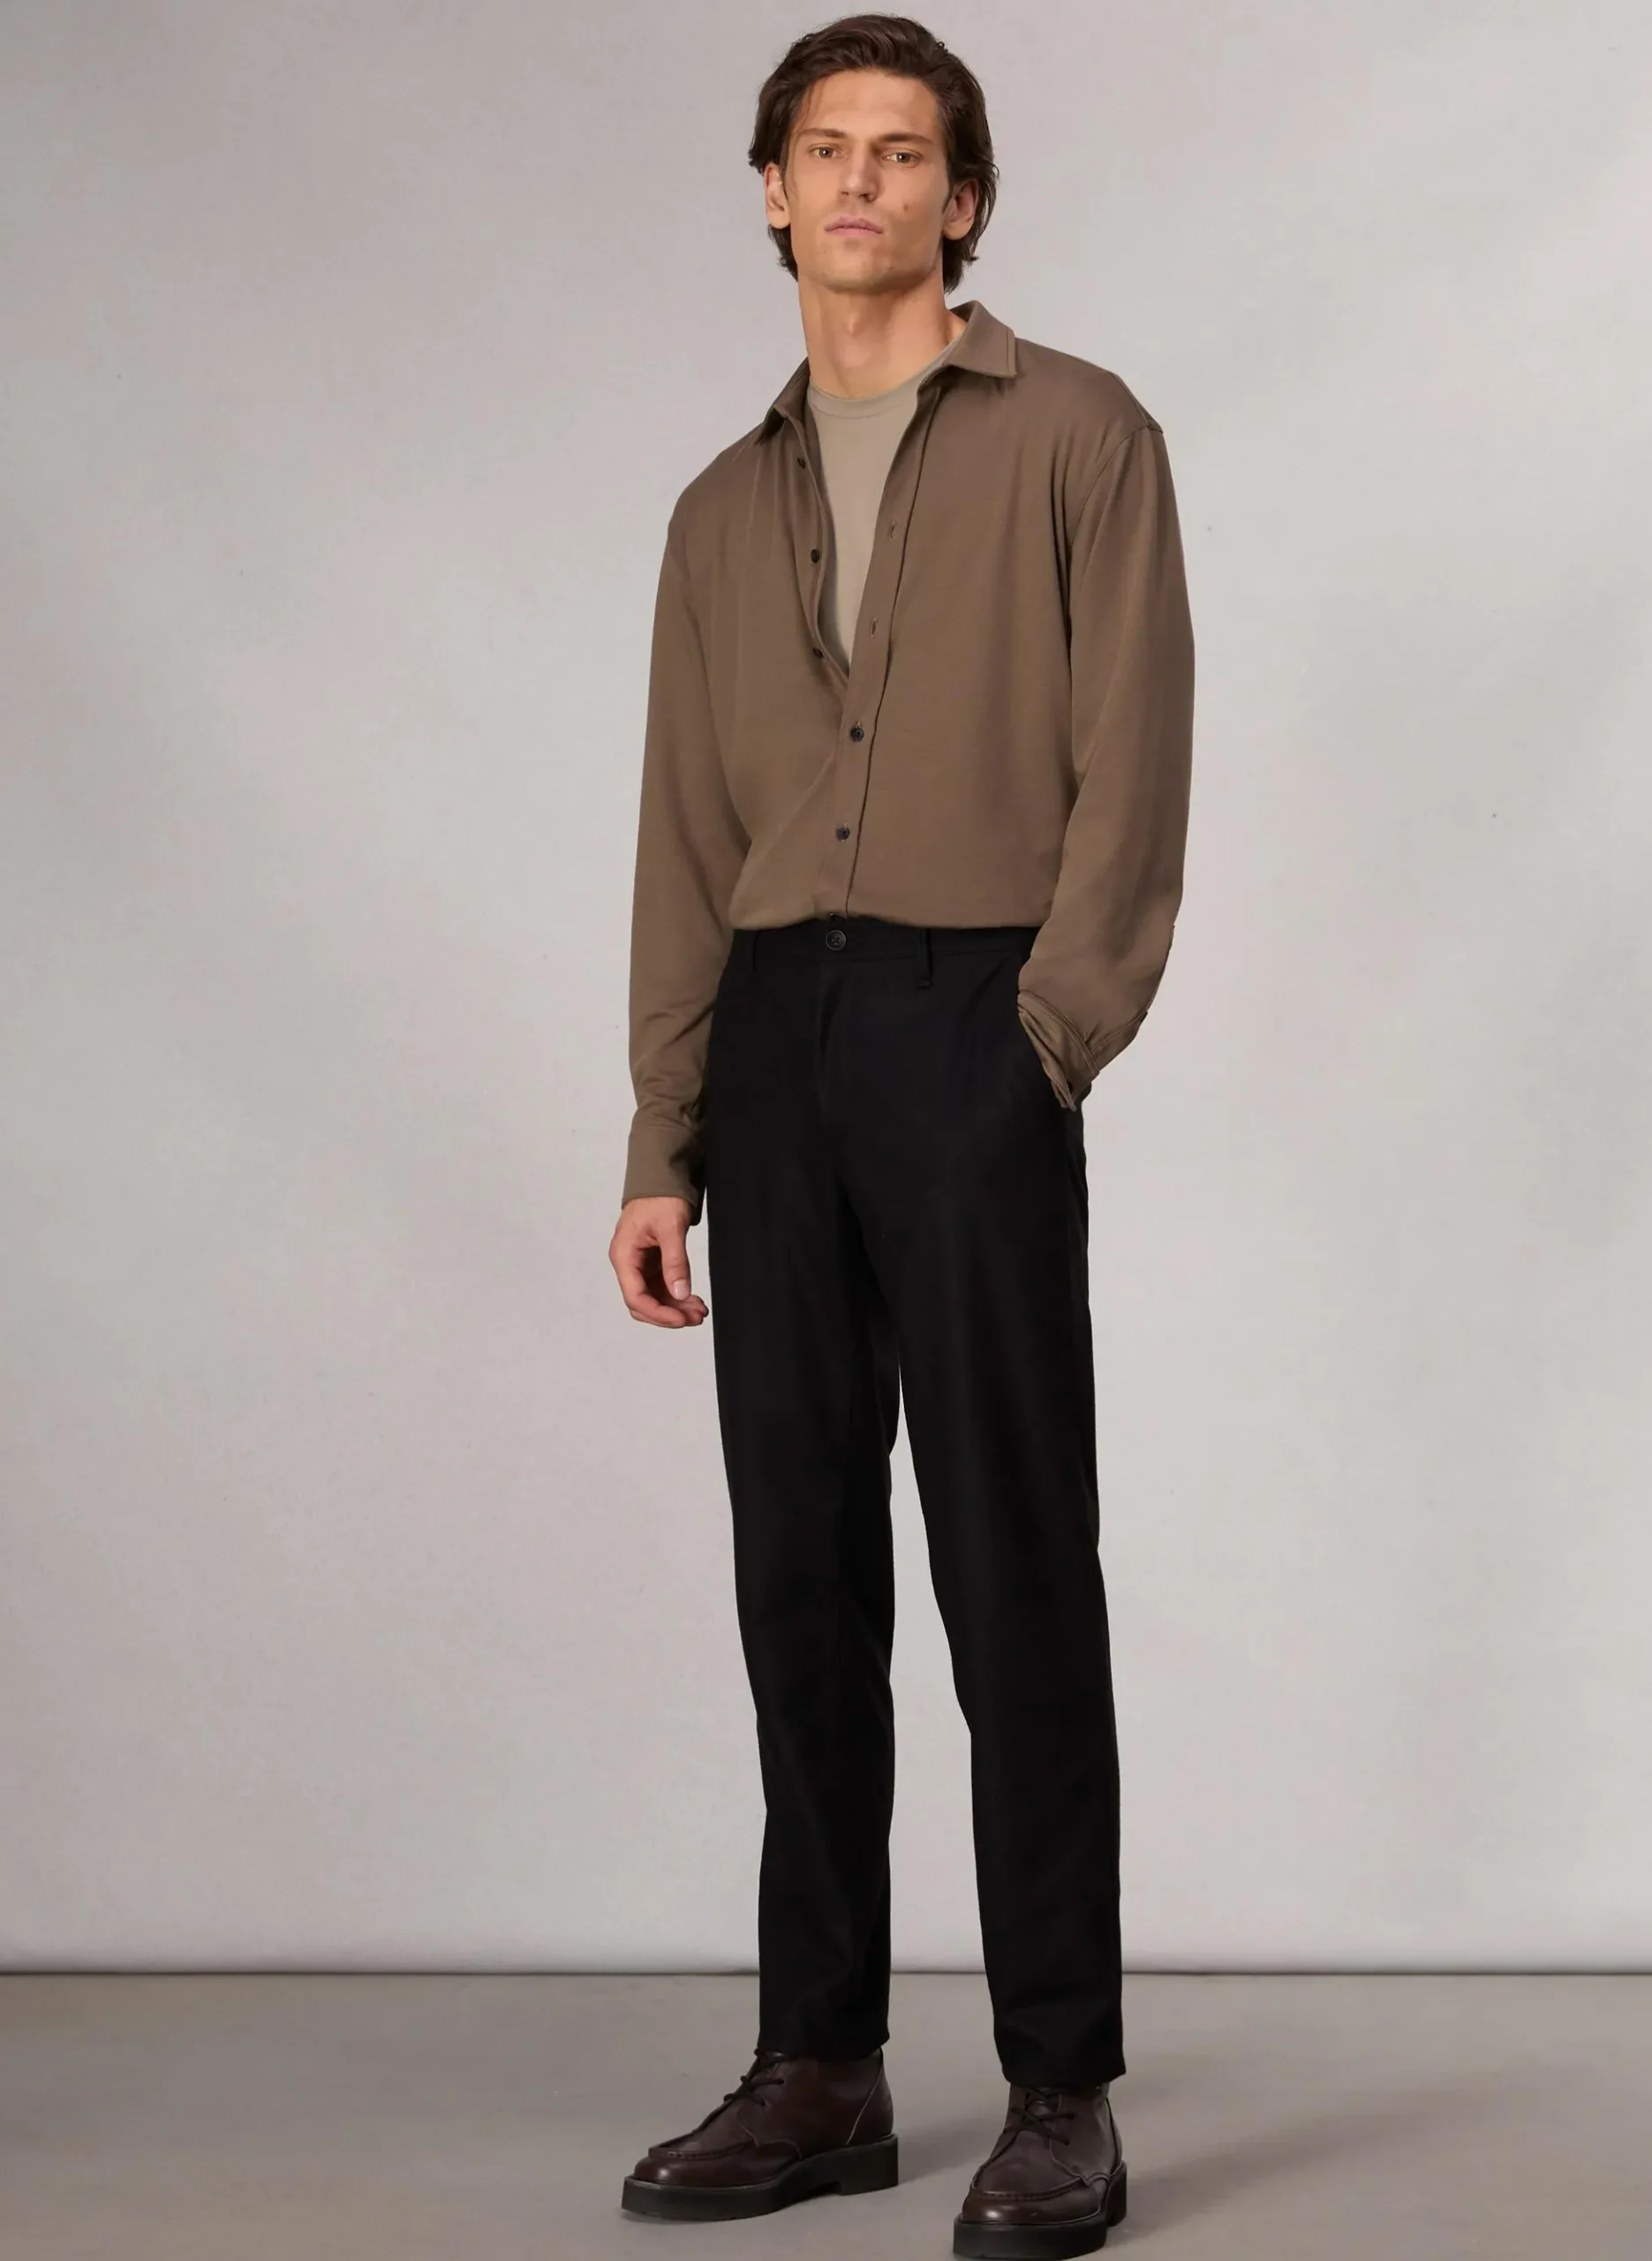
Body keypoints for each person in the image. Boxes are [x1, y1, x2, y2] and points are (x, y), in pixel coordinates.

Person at [609, 16, 1193, 2254]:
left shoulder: (1079, 434)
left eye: (905, 151)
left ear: (964, 197)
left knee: (1012, 1558)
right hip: (775, 1036)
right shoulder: (713, 508)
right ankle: (822, 2062)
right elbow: (682, 836)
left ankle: (1059, 2083)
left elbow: (1134, 752)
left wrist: (1048, 1033)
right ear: (773, 191)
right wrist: (662, 1131)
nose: (861, 181)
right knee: (799, 1567)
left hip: (975, 1019)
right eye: (826, 150)